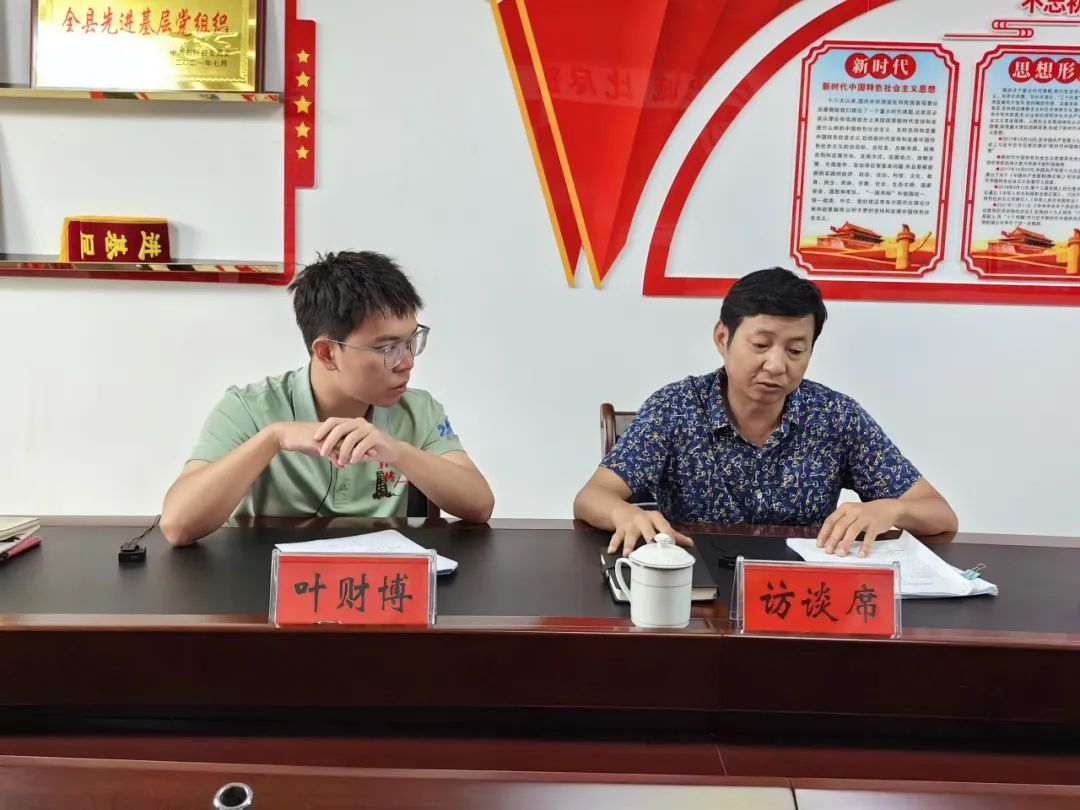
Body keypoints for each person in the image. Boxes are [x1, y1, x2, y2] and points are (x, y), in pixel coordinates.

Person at [574, 267, 956, 557]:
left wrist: (890, 510)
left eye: (795, 350)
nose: (776, 365)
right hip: (697, 589)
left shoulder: (836, 416)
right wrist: (624, 514)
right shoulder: (675, 408)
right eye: (761, 345)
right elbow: (593, 496)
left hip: (802, 596)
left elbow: (939, 514)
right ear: (722, 338)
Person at [161, 250, 494, 545]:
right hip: (268, 583)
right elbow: (178, 525)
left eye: (411, 342)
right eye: (387, 348)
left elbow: (479, 505)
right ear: (327, 352)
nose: (407, 362)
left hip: (379, 580)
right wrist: (273, 438)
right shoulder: (248, 408)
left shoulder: (417, 409)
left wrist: (397, 451)